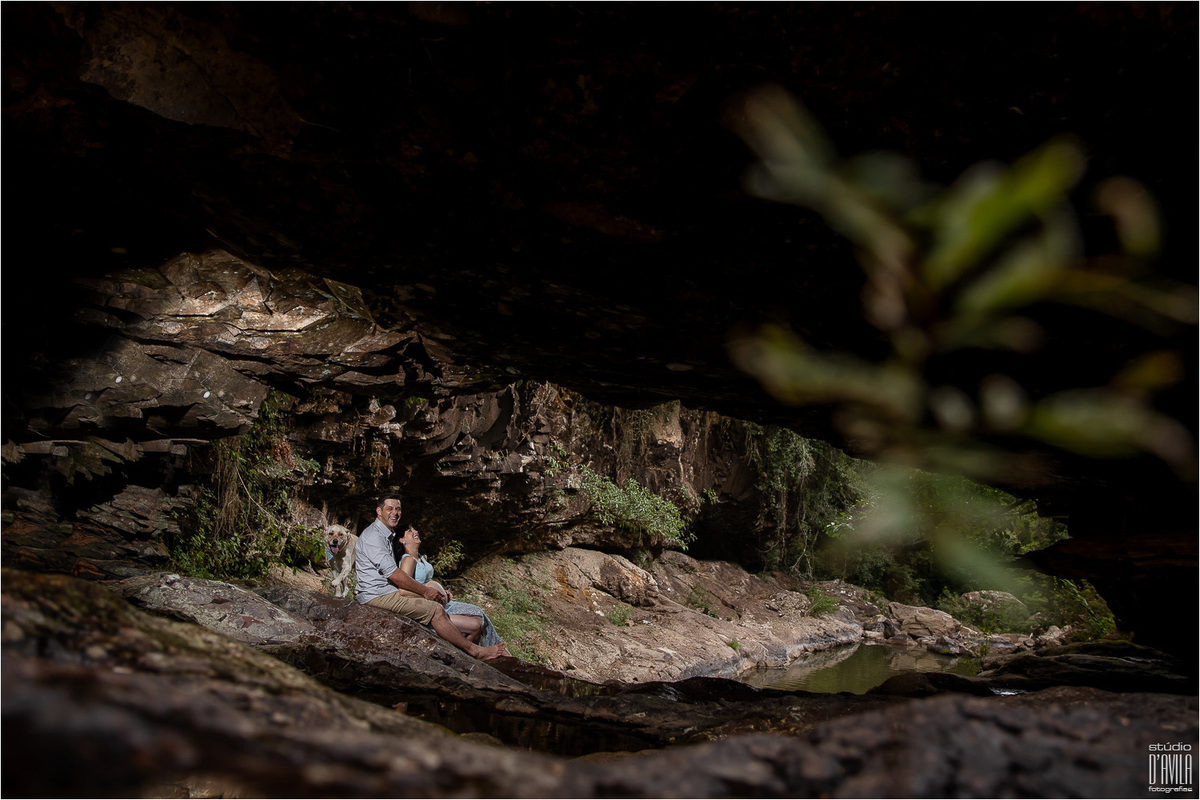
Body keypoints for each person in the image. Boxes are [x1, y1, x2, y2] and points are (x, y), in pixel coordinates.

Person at [355, 493, 509, 660]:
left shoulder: (386, 534)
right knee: (435, 610)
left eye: (398, 509)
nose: (395, 512)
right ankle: (475, 651)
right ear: (379, 511)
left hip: (386, 590)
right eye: (389, 509)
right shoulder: (373, 536)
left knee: (465, 613)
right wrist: (425, 592)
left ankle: (473, 654)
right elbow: (395, 575)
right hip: (377, 594)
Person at [394, 525, 503, 647]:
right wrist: (431, 594)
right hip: (430, 607)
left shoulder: (421, 558)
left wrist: (442, 592)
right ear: (401, 540)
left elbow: (426, 581)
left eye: (414, 529)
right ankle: (471, 654)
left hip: (443, 602)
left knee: (479, 615)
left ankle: (490, 652)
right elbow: (403, 590)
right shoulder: (407, 560)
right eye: (409, 531)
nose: (416, 531)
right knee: (476, 625)